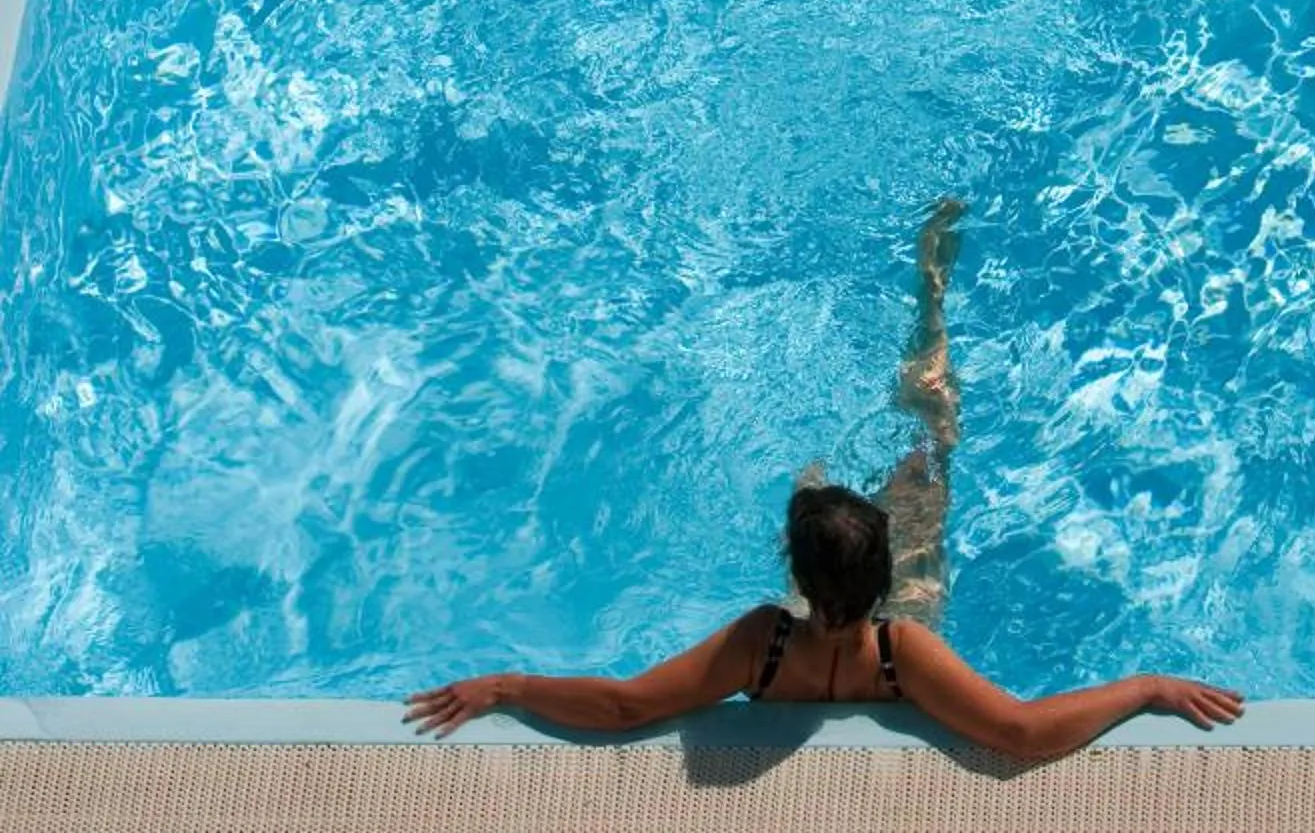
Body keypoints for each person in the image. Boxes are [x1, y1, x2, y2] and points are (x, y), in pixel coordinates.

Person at [406, 200, 1243, 765]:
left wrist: (506, 686)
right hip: (887, 619)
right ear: (879, 576)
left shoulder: (761, 643)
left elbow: (627, 708)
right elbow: (1020, 734)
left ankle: (880, 366)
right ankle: (931, 297)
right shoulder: (902, 647)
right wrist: (1147, 686)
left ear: (795, 581)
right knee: (931, 436)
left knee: (845, 465)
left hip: (829, 622)